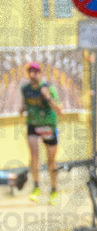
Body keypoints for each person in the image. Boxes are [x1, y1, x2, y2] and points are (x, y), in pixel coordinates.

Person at [21, 62, 61, 204]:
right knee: (34, 157)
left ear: (40, 73)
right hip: (33, 125)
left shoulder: (48, 88)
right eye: (30, 72)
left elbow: (59, 110)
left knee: (51, 162)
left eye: (35, 72)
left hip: (48, 126)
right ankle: (36, 187)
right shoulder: (25, 89)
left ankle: (54, 190)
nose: (32, 75)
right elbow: (25, 103)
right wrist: (22, 108)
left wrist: (48, 97)